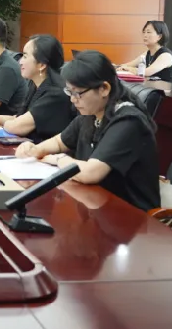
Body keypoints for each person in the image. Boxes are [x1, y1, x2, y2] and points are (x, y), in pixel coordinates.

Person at [15, 50, 160, 211]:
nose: (72, 99)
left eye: (77, 93)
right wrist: (35, 150)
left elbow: (91, 173)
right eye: (69, 92)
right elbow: (59, 142)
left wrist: (58, 159)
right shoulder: (92, 112)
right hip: (97, 206)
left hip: (131, 216)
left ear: (104, 88)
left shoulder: (128, 122)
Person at [0, 34, 74, 143]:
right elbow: (19, 118)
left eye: (25, 56)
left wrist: (9, 122)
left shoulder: (55, 94)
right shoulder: (35, 85)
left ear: (41, 65)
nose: (20, 62)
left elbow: (17, 126)